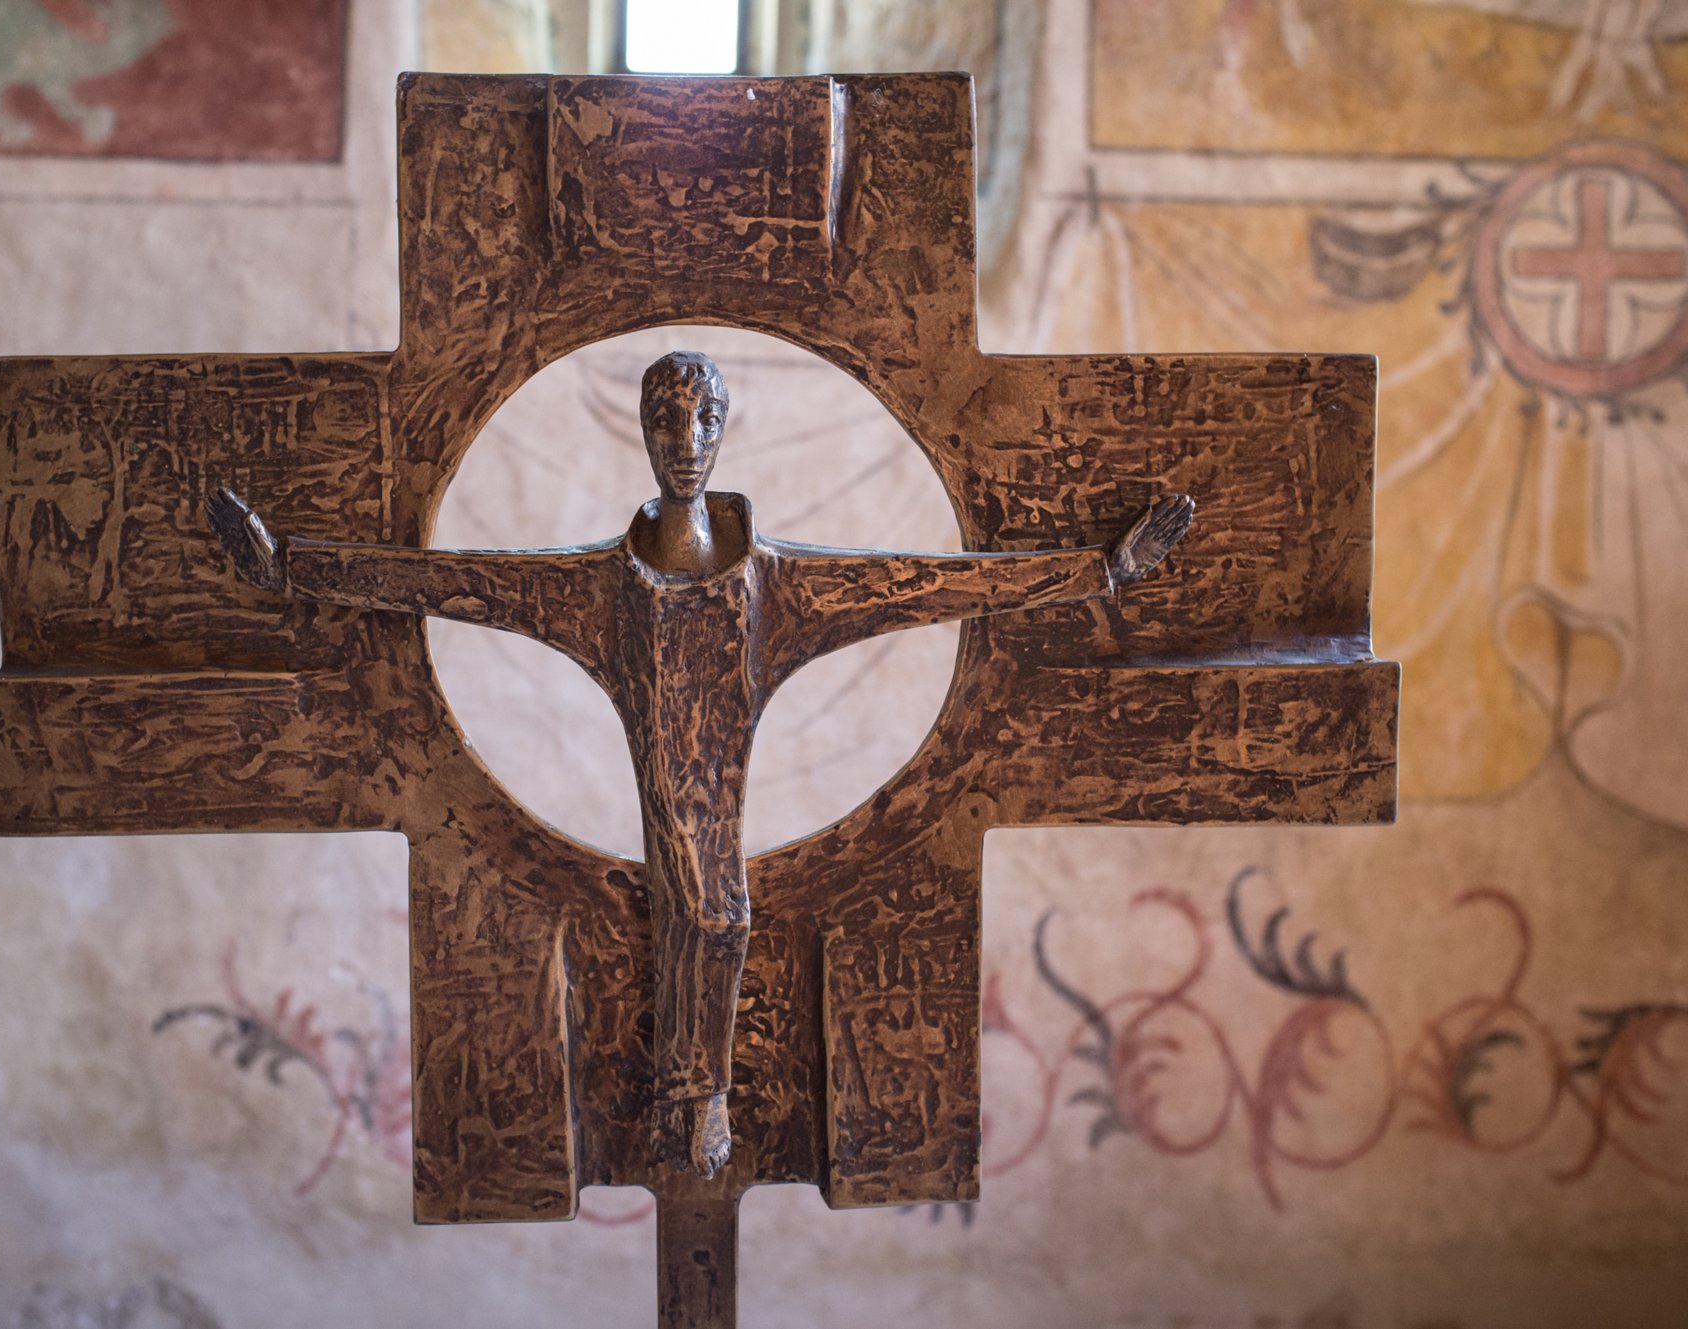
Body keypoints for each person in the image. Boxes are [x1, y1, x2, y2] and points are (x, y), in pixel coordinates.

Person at [209, 350, 1194, 1179]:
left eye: (703, 418)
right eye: (665, 420)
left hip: (712, 777)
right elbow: (452, 585)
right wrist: (288, 568)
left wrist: (1099, 574)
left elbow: (933, 588)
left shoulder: (779, 583)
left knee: (720, 915)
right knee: (710, 912)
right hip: (664, 781)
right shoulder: (598, 584)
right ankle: (694, 1092)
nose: (685, 440)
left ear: (723, 429)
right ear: (640, 432)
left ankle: (702, 1094)